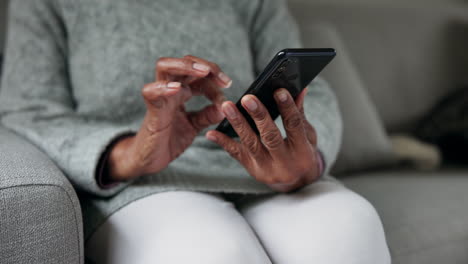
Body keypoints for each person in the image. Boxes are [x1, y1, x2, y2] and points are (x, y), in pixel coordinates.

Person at [0, 0, 391, 263]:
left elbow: (310, 86)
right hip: (138, 183)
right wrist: (130, 153)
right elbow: (29, 110)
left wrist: (305, 157)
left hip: (260, 166)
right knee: (212, 251)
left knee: (348, 225)